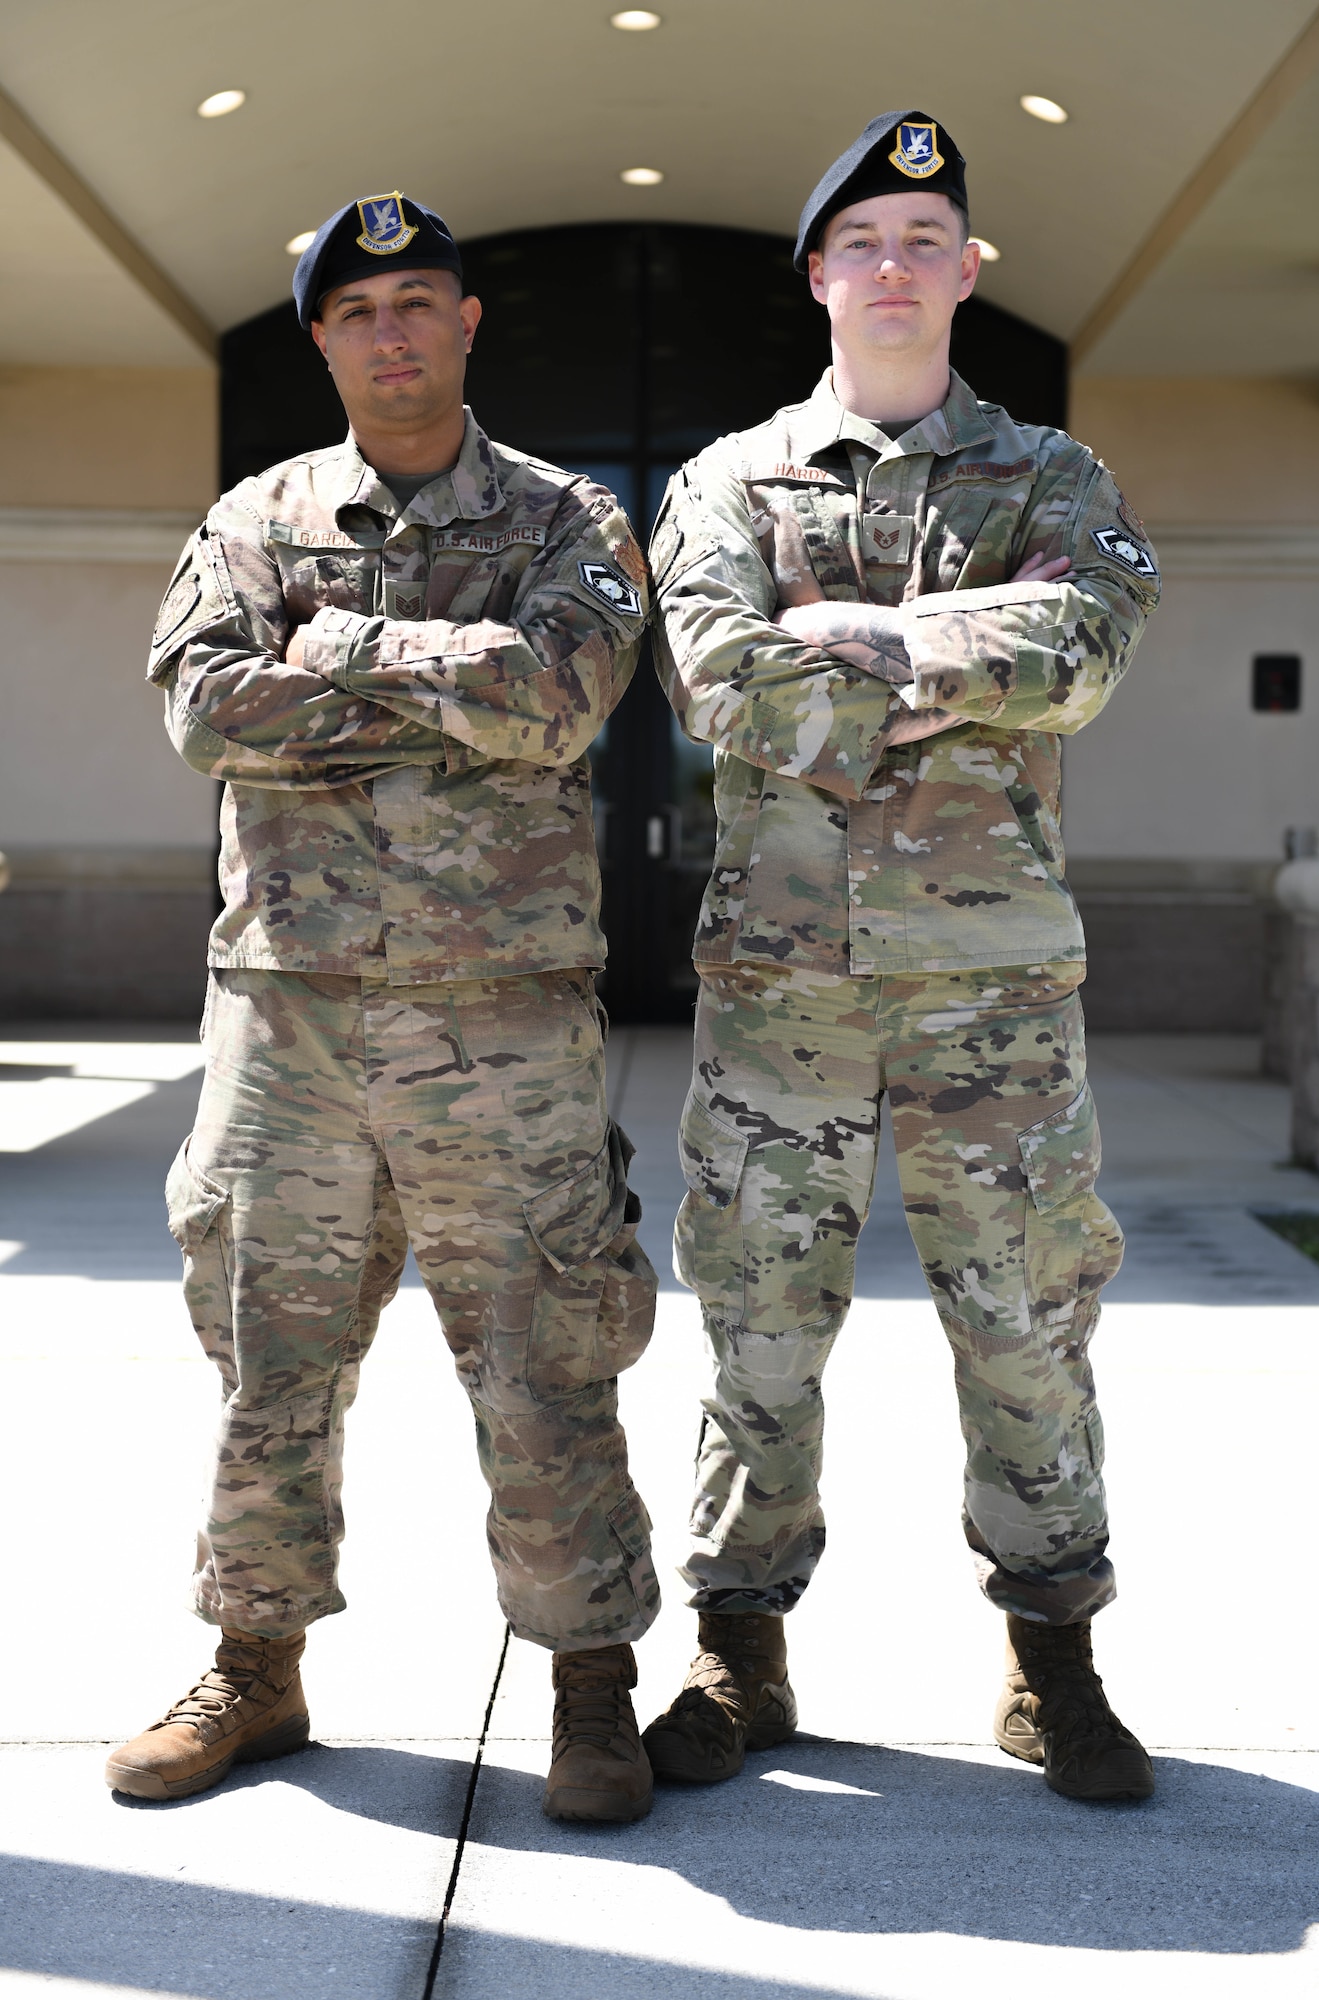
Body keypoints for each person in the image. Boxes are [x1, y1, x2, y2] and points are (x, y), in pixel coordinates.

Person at [106, 193, 660, 1825]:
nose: (395, 332)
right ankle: (254, 1668)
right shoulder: (251, 515)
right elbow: (206, 708)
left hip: (501, 1025)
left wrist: (334, 646)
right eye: (361, 313)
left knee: (544, 1359)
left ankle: (587, 1684)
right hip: (292, 1020)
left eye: (421, 301)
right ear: (324, 339)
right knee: (270, 1357)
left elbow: (561, 703)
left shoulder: (570, 520)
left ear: (467, 324)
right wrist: (446, 683)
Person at [645, 115, 1160, 1802]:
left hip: (990, 995)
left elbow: (1084, 650)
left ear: (965, 269)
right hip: (782, 994)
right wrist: (967, 659)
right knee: (759, 1330)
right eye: (859, 237)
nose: (889, 264)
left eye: (921, 234)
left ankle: (1051, 1664)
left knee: (1023, 1325)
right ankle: (738, 1652)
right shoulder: (727, 481)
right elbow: (724, 683)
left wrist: (867, 638)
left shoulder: (1051, 476)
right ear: (817, 273)